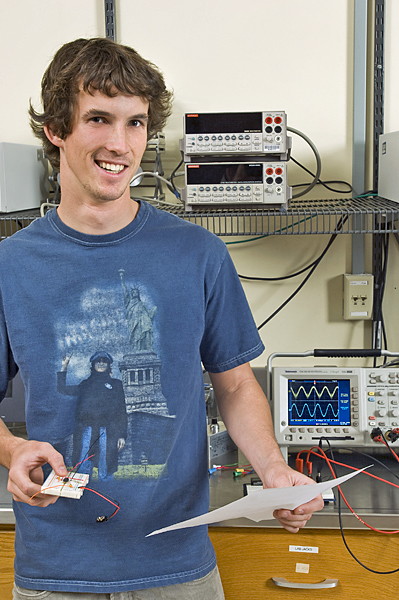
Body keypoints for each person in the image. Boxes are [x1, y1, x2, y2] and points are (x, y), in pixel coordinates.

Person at [0, 37, 323, 599]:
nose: (119, 144)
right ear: (56, 129)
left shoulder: (198, 253)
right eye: (98, 119)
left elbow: (236, 382)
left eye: (136, 123)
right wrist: (13, 449)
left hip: (178, 566)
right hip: (58, 568)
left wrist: (272, 467)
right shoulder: (10, 265)